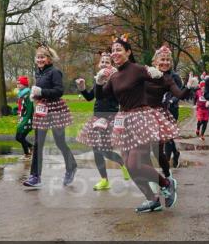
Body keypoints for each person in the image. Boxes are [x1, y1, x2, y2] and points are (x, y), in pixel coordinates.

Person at [100, 36, 193, 212]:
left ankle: (166, 183)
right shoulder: (116, 75)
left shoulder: (140, 70)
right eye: (113, 50)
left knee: (139, 161)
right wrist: (96, 83)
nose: (115, 53)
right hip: (124, 121)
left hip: (143, 118)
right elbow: (101, 95)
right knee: (130, 165)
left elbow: (170, 86)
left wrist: (183, 84)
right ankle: (152, 199)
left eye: (119, 49)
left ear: (128, 52)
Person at [23, 44, 77, 189]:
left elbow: (59, 91)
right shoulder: (38, 72)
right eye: (38, 57)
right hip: (41, 110)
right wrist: (34, 95)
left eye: (42, 57)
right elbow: (41, 90)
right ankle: (35, 176)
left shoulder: (55, 72)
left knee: (60, 142)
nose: (39, 59)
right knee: (38, 143)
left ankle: (71, 166)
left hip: (55, 110)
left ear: (49, 59)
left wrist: (42, 92)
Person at [75, 51, 130, 191]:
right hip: (97, 118)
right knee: (96, 149)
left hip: (109, 118)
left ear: (112, 65)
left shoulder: (116, 79)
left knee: (105, 150)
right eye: (103, 62)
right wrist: (82, 89)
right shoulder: (98, 79)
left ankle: (123, 163)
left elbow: (120, 98)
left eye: (108, 62)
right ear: (99, 64)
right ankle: (104, 180)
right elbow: (89, 97)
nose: (104, 64)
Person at [144, 45, 185, 183]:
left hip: (160, 114)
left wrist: (190, 86)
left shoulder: (169, 78)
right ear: (155, 62)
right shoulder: (145, 73)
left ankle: (167, 176)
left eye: (168, 60)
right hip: (142, 116)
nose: (165, 62)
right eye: (162, 59)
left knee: (157, 150)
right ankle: (151, 178)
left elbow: (179, 93)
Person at [14, 76, 34, 158]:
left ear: (25, 85)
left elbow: (29, 110)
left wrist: (25, 121)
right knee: (19, 137)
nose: (18, 86)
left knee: (20, 137)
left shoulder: (28, 95)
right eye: (17, 84)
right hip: (22, 118)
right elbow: (22, 107)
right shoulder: (21, 95)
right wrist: (15, 110)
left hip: (27, 120)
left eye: (20, 84)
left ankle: (27, 153)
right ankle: (31, 148)